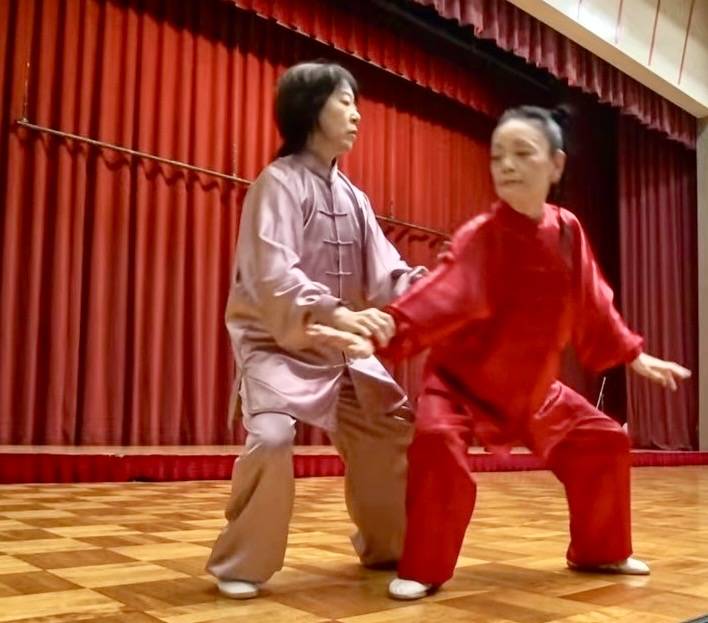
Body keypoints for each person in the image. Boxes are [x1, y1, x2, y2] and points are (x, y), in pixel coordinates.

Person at [307, 105, 691, 600]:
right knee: (436, 444)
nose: (506, 165)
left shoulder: (567, 231)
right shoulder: (480, 237)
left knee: (603, 441)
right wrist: (381, 334)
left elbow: (593, 300)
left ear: (555, 165)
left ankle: (599, 550)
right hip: (459, 385)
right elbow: (437, 298)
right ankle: (424, 567)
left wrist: (634, 354)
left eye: (522, 153)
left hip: (530, 389)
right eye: (497, 156)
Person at [206, 61, 426, 599]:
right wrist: (339, 314)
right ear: (310, 108)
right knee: (272, 438)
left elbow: (388, 274)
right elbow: (274, 277)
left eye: (355, 103)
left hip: (341, 347)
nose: (356, 115)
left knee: (389, 430)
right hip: (276, 344)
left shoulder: (355, 198)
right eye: (344, 101)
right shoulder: (276, 184)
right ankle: (240, 563)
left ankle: (387, 545)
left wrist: (441, 285)